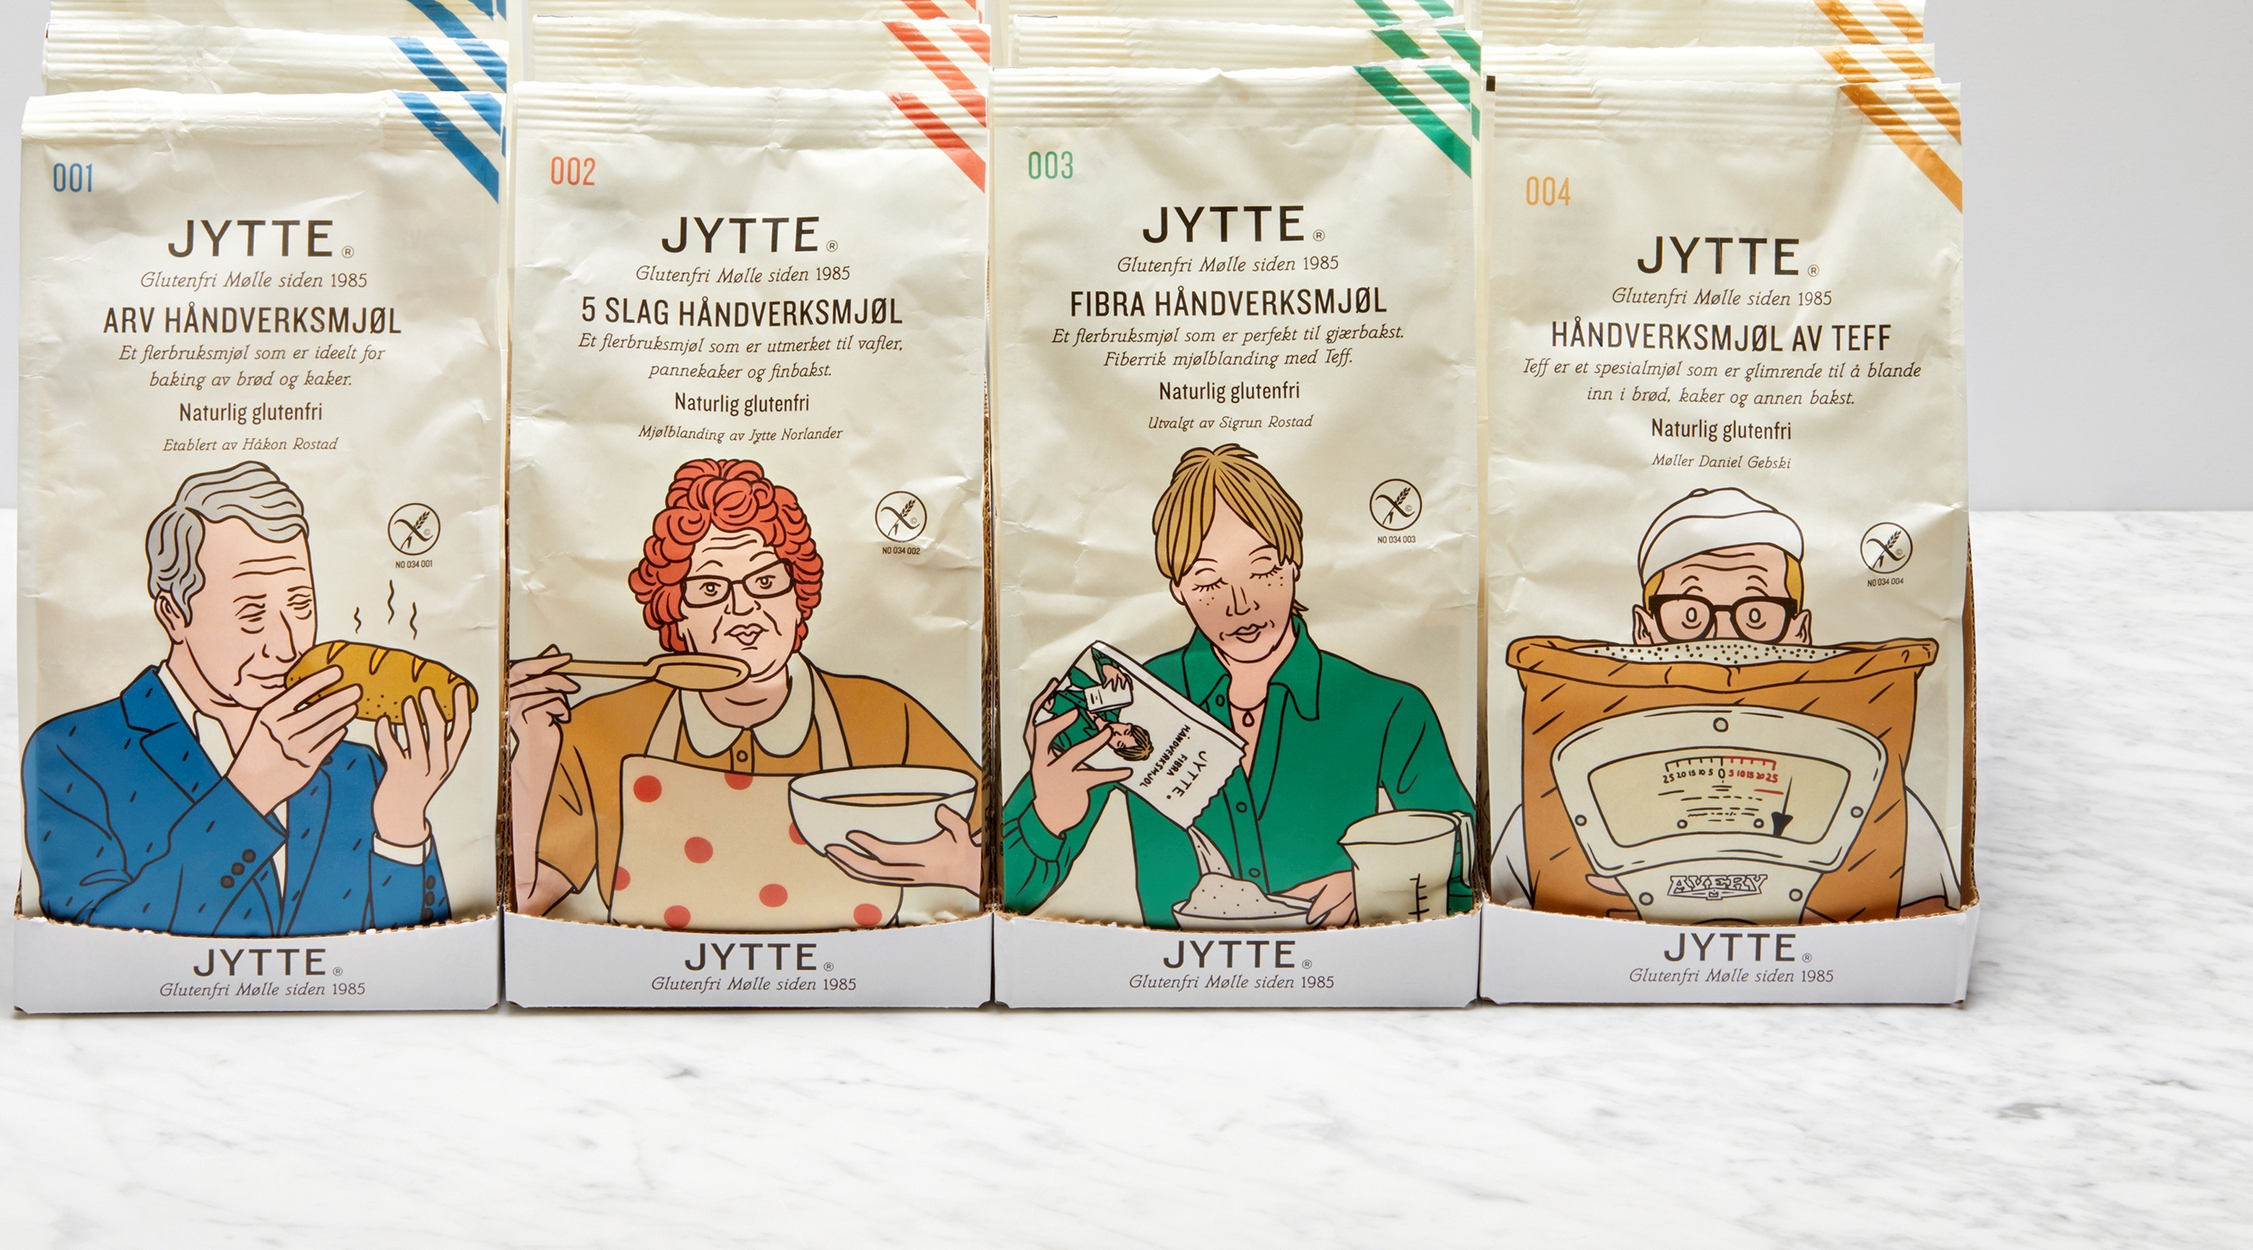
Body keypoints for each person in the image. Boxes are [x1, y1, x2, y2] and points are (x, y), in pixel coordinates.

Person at [1001, 444, 1474, 928]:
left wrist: (1374, 885)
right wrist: (1048, 816)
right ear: (1178, 589)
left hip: (1336, 967)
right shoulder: (1121, 700)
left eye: (1263, 568)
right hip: (1170, 969)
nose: (1241, 604)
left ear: (1294, 564)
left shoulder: (1388, 708)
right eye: (1208, 581)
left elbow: (1470, 866)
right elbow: (1003, 892)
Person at [507, 458, 982, 925]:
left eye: (766, 581)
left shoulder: (886, 717)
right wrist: (532, 748)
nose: (742, 607)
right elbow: (526, 900)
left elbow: (999, 864)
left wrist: (959, 868)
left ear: (799, 600)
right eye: (710, 589)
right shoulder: (597, 729)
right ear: (676, 614)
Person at [22, 462, 470, 936]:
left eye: (300, 605)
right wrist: (250, 791)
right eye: (252, 613)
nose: (287, 646)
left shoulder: (360, 771)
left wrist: (401, 826)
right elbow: (92, 941)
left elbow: (417, 956)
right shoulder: (73, 753)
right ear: (174, 614)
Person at [1486, 485, 1961, 914]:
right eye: (1689, 614)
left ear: (1800, 632)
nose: (1724, 638)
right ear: (1644, 630)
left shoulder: (1895, 813)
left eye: (1757, 615)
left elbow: (1922, 914)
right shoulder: (1541, 818)